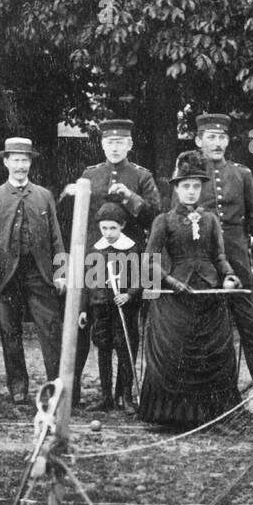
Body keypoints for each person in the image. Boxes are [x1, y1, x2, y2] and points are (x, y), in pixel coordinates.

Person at [137, 151, 242, 426]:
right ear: (176, 188)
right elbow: (149, 259)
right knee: (176, 354)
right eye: (186, 186)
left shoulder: (211, 220)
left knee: (213, 354)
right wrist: (171, 282)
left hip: (208, 296)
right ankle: (173, 417)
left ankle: (213, 415)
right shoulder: (164, 220)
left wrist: (229, 277)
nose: (192, 192)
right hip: (175, 298)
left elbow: (219, 257)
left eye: (196, 186)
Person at [69, 118, 160, 405]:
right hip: (96, 261)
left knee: (127, 332)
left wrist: (131, 197)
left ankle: (125, 393)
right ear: (102, 144)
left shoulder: (141, 176)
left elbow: (155, 218)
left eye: (121, 142)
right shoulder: (90, 174)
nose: (115, 147)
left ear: (130, 144)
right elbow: (80, 219)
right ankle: (100, 395)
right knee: (99, 330)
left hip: (129, 262)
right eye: (110, 142)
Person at [0, 137, 66, 404]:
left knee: (51, 330)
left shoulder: (43, 195)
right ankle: (18, 385)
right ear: (6, 162)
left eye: (24, 160)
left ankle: (57, 386)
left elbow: (56, 237)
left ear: (30, 163)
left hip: (39, 272)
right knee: (9, 331)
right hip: (6, 275)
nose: (20, 165)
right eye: (14, 160)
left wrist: (60, 271)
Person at [193, 112, 253, 383]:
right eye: (211, 137)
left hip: (236, 255)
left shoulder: (241, 173)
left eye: (222, 137)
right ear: (198, 140)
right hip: (201, 257)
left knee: (249, 323)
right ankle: (213, 395)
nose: (217, 143)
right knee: (205, 323)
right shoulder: (190, 177)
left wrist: (241, 239)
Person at [80, 202, 143, 412]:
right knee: (104, 349)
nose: (108, 233)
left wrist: (129, 294)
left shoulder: (131, 248)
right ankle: (106, 396)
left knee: (125, 349)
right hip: (101, 307)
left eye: (113, 228)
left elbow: (140, 277)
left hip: (124, 308)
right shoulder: (95, 249)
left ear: (122, 226)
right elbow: (87, 281)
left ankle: (125, 396)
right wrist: (83, 309)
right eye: (104, 228)